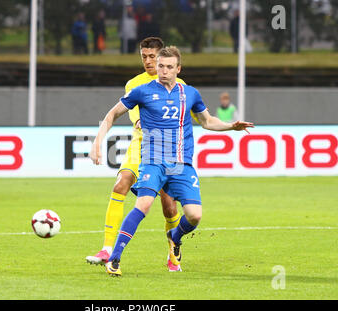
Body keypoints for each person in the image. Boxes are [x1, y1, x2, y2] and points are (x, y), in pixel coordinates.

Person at [90, 46, 254, 276]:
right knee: (144, 205)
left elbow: (207, 121)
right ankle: (114, 257)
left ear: (178, 69)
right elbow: (112, 114)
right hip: (153, 161)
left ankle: (174, 238)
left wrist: (231, 126)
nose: (163, 71)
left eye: (169, 67)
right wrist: (97, 142)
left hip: (181, 164)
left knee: (194, 215)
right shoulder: (142, 91)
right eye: (160, 66)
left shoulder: (190, 93)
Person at [86, 37, 195, 272]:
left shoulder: (181, 86)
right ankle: (107, 248)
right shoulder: (135, 84)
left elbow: (191, 115)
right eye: (144, 56)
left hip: (168, 151)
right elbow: (132, 112)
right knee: (120, 184)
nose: (148, 61)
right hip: (140, 146)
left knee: (169, 206)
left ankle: (173, 252)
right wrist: (101, 139)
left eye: (152, 57)